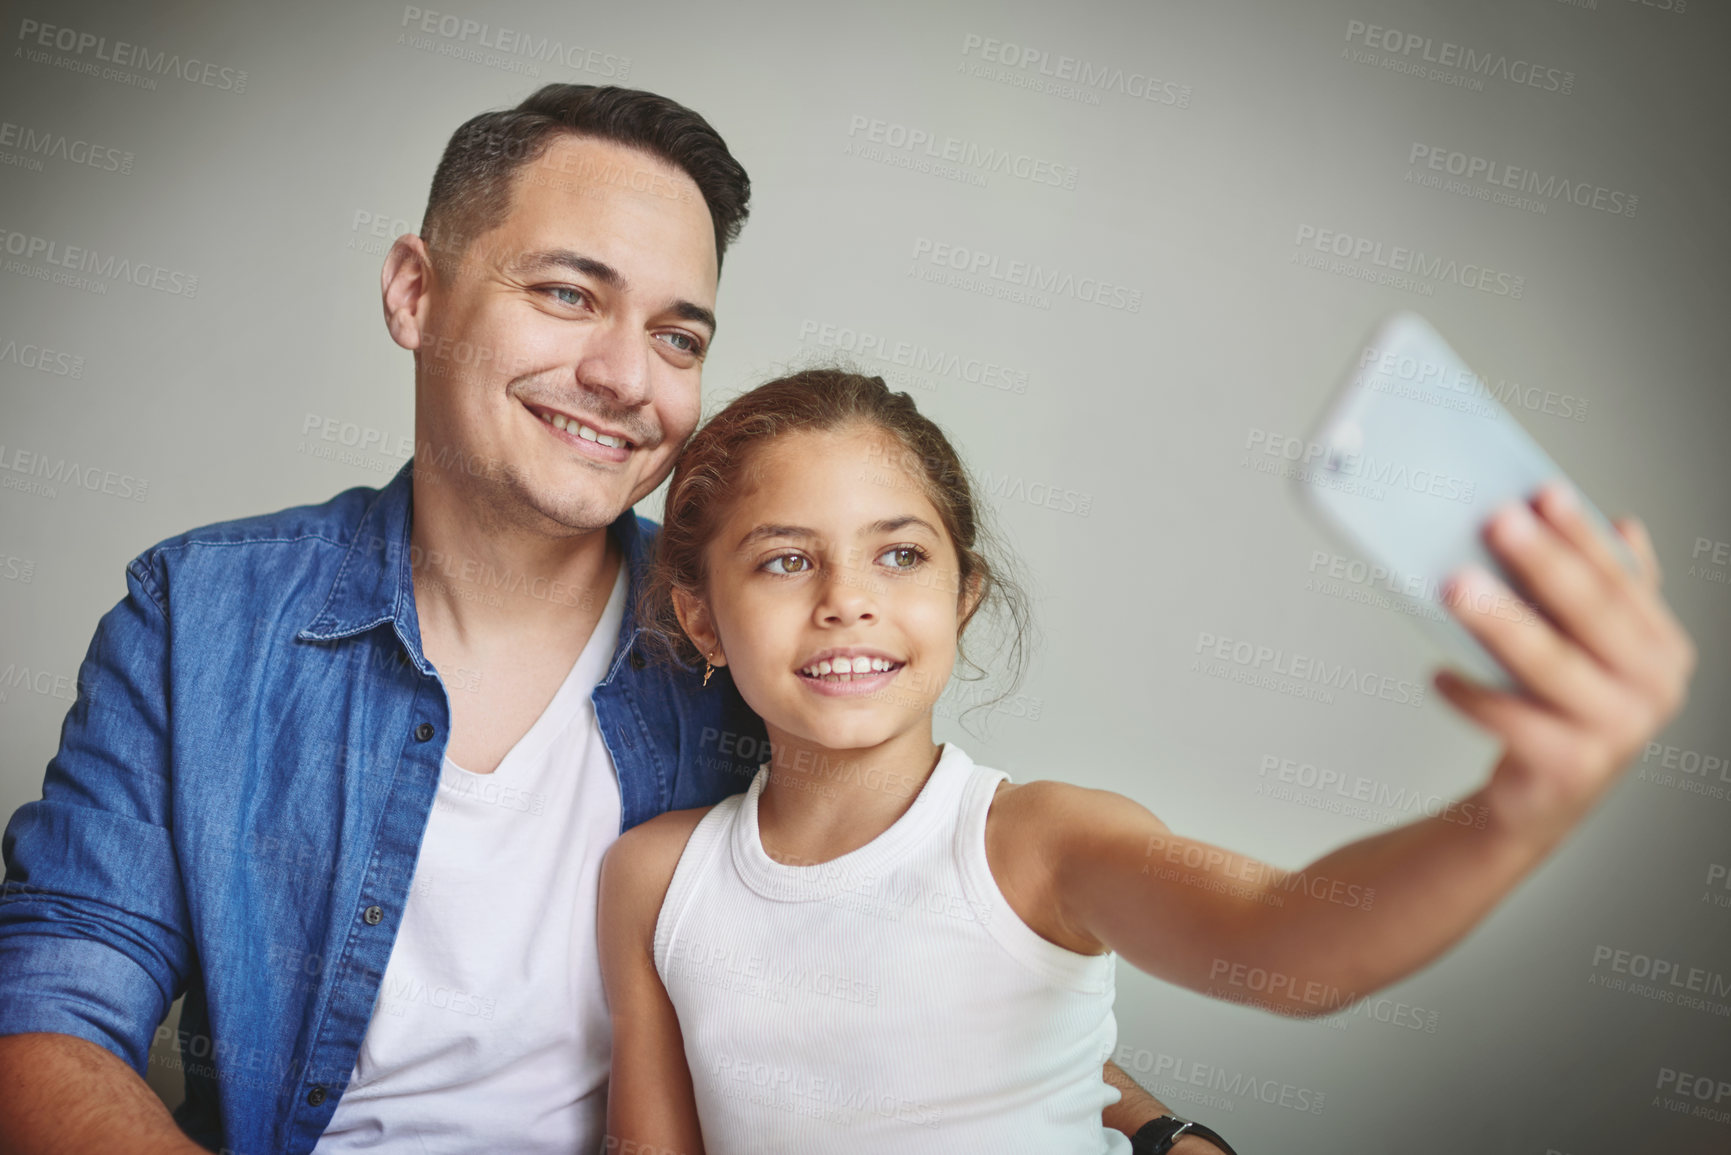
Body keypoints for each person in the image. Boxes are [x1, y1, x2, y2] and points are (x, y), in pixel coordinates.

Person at [0, 86, 1182, 1155]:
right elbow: (47, 1011)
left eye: (679, 335)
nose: (627, 377)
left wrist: (1159, 1133)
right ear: (418, 293)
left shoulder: (752, 641)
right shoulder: (201, 618)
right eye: (569, 294)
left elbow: (927, 945)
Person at [598, 368, 1697, 1153]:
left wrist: (1516, 810)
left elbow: (1291, 941)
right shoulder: (652, 881)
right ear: (700, 618)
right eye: (786, 561)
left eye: (899, 553)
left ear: (962, 594)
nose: (848, 600)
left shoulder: (1042, 844)